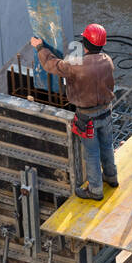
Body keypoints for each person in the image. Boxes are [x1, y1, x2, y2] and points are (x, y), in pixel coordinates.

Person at [32, 24, 116, 201]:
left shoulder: (76, 65)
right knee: (107, 146)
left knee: (92, 153)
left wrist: (40, 47)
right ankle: (111, 177)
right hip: (106, 112)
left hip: (87, 116)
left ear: (84, 44)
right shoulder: (107, 60)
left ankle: (95, 190)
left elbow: (51, 65)